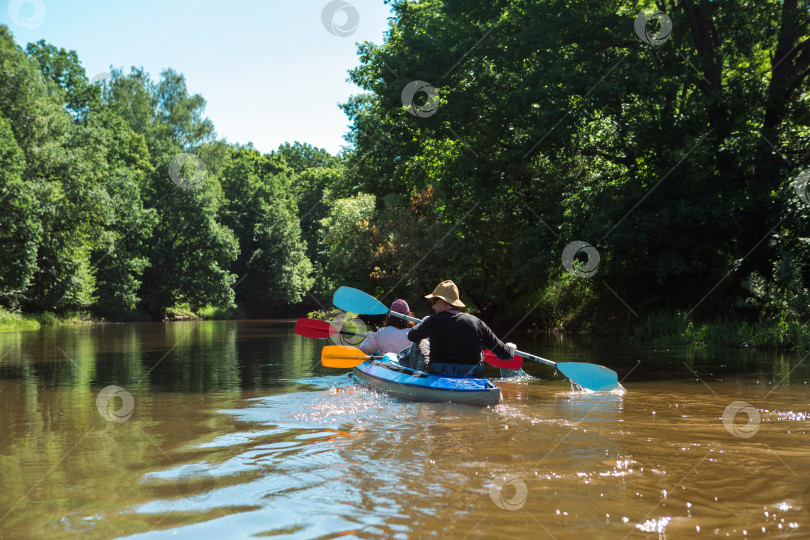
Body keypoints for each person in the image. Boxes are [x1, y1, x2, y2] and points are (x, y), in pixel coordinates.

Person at [401, 280, 516, 376]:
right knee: (479, 350)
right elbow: (505, 355)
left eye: (434, 301)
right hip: (472, 375)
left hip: (438, 373)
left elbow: (412, 336)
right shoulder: (477, 322)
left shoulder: (434, 320)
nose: (432, 306)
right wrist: (511, 347)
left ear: (444, 302)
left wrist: (425, 327)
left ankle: (409, 375)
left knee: (419, 343)